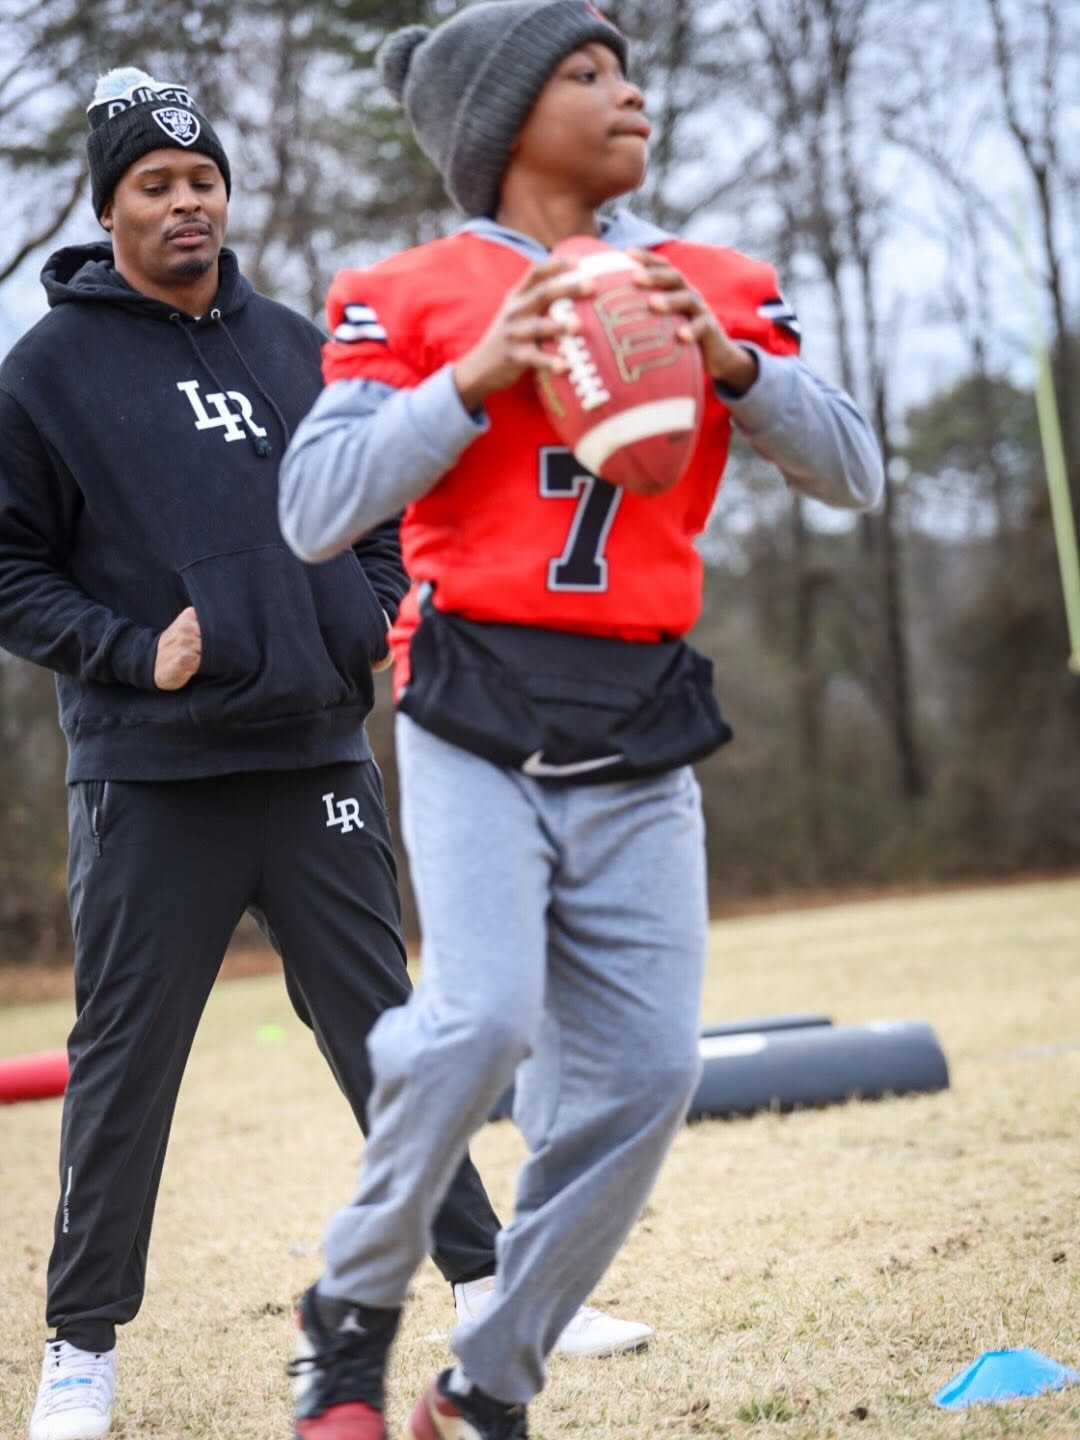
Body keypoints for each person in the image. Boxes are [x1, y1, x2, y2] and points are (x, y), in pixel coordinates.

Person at [0, 64, 648, 1440]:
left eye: (203, 181)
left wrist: (366, 609)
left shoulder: (296, 343)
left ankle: (488, 1291)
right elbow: (8, 567)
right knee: (126, 1062)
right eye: (156, 187)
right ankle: (80, 1353)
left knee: (402, 1040)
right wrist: (130, 649)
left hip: (316, 758)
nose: (189, 203)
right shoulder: (46, 373)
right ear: (108, 208)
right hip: (153, 776)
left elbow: (384, 505)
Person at [278, 3, 884, 1437]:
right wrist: (475, 376)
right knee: (482, 1016)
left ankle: (487, 1380)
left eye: (628, 68)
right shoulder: (409, 287)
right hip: (477, 689)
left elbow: (852, 469)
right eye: (586, 72)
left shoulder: (718, 280)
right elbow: (315, 512)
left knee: (650, 1074)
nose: (630, 94)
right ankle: (349, 1308)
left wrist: (735, 367)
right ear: (501, 124)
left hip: (643, 701)